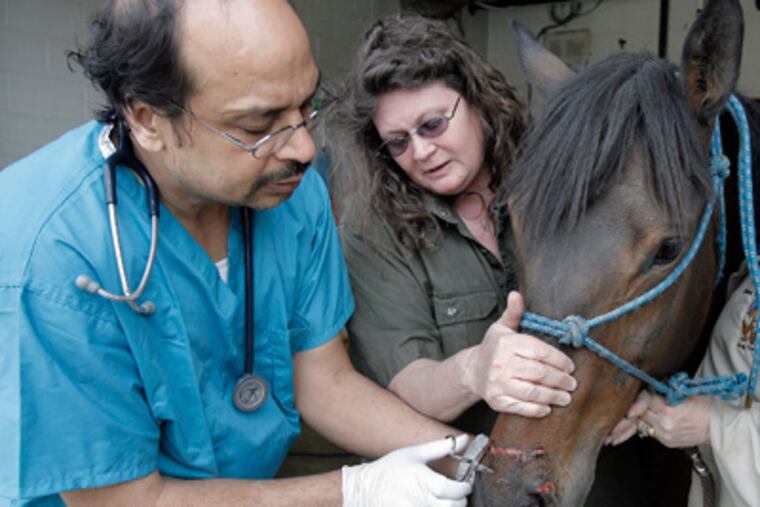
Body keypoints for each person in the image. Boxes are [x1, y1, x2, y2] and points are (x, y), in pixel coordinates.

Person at [0, 1, 480, 506]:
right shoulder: (47, 257)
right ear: (146, 119)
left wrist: (466, 454)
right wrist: (355, 489)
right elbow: (125, 500)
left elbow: (323, 380)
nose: (304, 150)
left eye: (307, 106)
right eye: (258, 126)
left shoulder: (291, 194)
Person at [331, 15, 578, 437]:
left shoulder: (553, 180)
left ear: (477, 101)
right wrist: (474, 371)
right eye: (398, 141)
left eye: (432, 125)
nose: (422, 152)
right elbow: (408, 385)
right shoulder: (372, 229)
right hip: (458, 473)